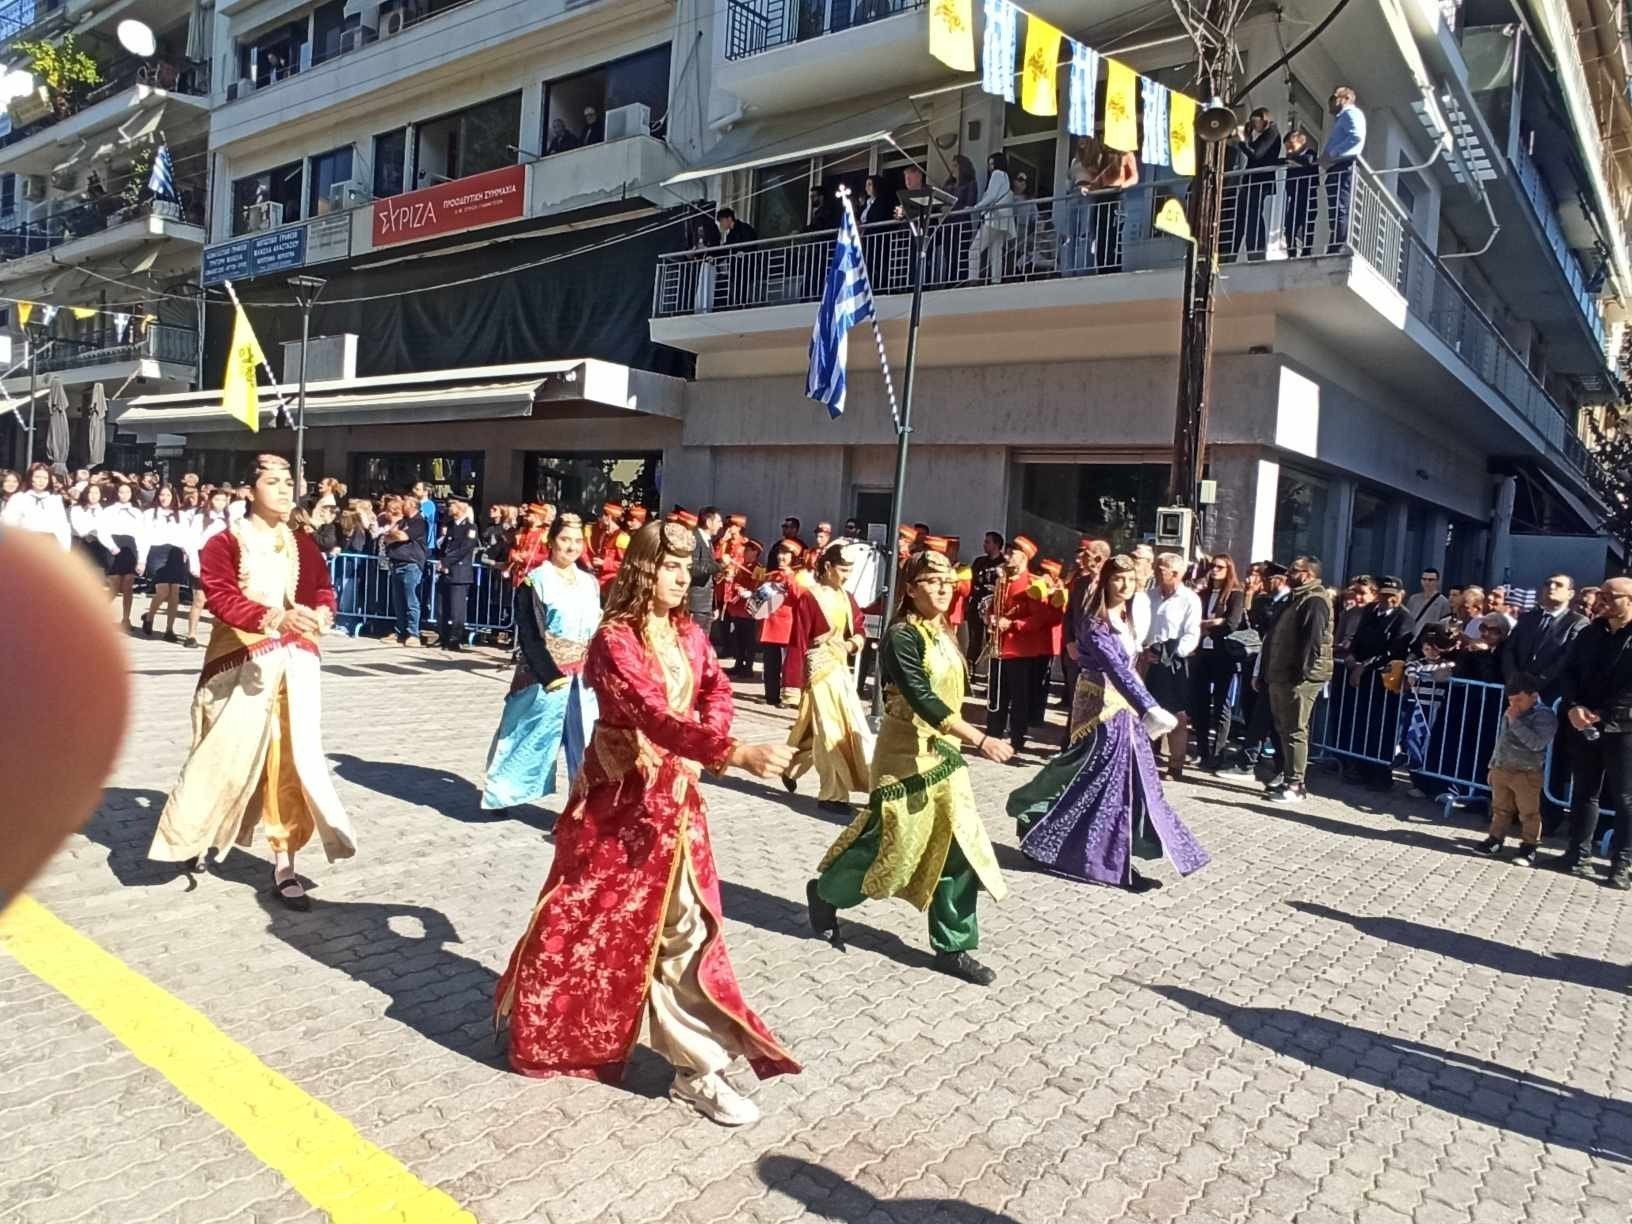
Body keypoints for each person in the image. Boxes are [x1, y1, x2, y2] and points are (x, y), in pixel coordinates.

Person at [493, 521, 799, 1123]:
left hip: (676, 804)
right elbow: (649, 714)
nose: (683, 578)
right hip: (619, 809)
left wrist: (709, 742)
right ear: (641, 569)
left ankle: (697, 1067)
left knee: (684, 926)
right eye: (670, 565)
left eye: (689, 567)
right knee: (585, 922)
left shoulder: (687, 631)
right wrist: (731, 752)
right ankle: (554, 1027)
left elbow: (714, 688)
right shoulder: (615, 639)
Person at [148, 455, 354, 909]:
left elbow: (320, 587)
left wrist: (321, 610)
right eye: (273, 483)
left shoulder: (303, 541)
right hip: (238, 663)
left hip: (295, 664)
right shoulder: (224, 542)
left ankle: (285, 862)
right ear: (249, 490)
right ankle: (195, 836)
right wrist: (273, 617)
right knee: (222, 757)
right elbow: (221, 597)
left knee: (291, 759)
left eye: (289, 483)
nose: (285, 491)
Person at [807, 549, 1013, 983]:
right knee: (891, 847)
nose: (942, 589)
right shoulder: (903, 635)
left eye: (947, 582)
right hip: (904, 758)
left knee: (959, 849)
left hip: (944, 756)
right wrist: (979, 739)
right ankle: (826, 893)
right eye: (931, 582)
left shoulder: (944, 632)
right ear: (910, 588)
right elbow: (921, 696)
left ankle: (953, 944)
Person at [1008, 554, 1209, 892]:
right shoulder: (1094, 623)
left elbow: (1130, 667)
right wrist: (1149, 707)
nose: (1125, 585)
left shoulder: (1130, 619)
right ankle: (1106, 863)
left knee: (1130, 784)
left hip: (1125, 712)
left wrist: (1143, 706)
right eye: (1118, 578)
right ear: (1106, 581)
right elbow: (1116, 668)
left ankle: (1083, 851)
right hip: (1101, 712)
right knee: (1106, 785)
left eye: (1131, 579)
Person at [481, 514, 602, 813]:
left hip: (583, 678)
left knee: (586, 741)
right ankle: (503, 794)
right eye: (565, 539)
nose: (571, 547)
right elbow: (531, 634)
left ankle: (581, 808)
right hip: (544, 675)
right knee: (524, 736)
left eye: (577, 541)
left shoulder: (590, 583)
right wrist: (548, 674)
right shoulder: (536, 581)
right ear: (552, 541)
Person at [781, 541, 875, 814]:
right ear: (827, 567)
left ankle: (789, 765)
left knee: (841, 727)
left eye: (850, 570)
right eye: (843, 569)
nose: (846, 575)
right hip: (818, 669)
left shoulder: (848, 597)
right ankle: (832, 793)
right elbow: (798, 641)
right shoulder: (809, 597)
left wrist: (852, 644)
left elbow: (858, 628)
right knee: (830, 731)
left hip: (840, 670)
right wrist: (792, 685)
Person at [1554, 576, 1632, 887]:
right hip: (1583, 722)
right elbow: (1569, 671)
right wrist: (1573, 706)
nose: (1602, 601)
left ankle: (1622, 863)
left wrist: (1603, 714)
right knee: (1585, 790)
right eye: (1600, 594)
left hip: (1624, 726)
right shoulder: (1590, 632)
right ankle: (1577, 854)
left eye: (1611, 596)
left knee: (1626, 797)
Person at [1262, 556, 1334, 804]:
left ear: (1308, 574)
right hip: (1281, 674)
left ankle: (1296, 784)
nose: (1289, 574)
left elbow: (1312, 641)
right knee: (1284, 727)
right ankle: (1287, 775)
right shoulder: (1295, 599)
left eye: (1295, 570)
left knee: (1295, 730)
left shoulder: (1315, 600)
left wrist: (1299, 672)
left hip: (1299, 678)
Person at [1474, 673, 1559, 866]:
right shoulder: (1511, 712)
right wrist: (1492, 765)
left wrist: (1515, 722)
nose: (1515, 705)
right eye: (1511, 701)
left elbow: (1537, 743)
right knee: (1500, 808)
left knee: (1529, 812)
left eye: (1519, 700)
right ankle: (1495, 840)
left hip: (1527, 772)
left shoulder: (1544, 716)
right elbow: (1501, 739)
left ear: (1534, 696)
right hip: (1503, 767)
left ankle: (1529, 846)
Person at [985, 535, 1059, 755]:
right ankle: (993, 734)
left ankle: (1016, 739)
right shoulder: (1002, 580)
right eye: (1007, 552)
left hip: (1020, 650)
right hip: (998, 647)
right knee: (996, 695)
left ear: (1024, 556)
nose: (1007, 556)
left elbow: (1039, 619)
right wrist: (989, 617)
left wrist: (1013, 624)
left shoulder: (1033, 583)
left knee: (1019, 698)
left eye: (1012, 553)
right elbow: (994, 608)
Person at [1340, 575, 1414, 789]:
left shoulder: (1403, 618)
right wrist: (1352, 657)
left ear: (1400, 596)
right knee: (1362, 723)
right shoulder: (1370, 612)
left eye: (1392, 596)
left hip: (1384, 681)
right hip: (1364, 680)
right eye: (1384, 595)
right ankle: (1361, 767)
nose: (1388, 600)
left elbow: (1395, 650)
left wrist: (1365, 666)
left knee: (1381, 728)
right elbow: (1359, 637)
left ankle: (1380, 774)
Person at [1143, 552, 1202, 779]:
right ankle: (1146, 759)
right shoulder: (1149, 596)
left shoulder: (1189, 599)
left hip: (1174, 662)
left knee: (1176, 715)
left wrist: (1172, 654)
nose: (1157, 571)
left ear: (1175, 573)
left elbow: (1191, 633)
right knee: (1147, 710)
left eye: (1161, 568)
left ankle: (1175, 765)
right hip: (1148, 658)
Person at [1192, 553, 1246, 766]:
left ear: (1228, 570)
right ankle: (1203, 751)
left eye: (1220, 567)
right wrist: (1212, 622)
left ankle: (1218, 752)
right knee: (1200, 704)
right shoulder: (1203, 594)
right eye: (1213, 566)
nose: (1215, 570)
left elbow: (1232, 623)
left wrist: (1210, 625)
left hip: (1222, 654)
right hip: (1202, 653)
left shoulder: (1235, 594)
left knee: (1221, 703)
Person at [1503, 573, 1587, 701]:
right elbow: (1509, 648)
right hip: (1515, 692)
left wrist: (1538, 682)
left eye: (1558, 585)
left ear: (1570, 594)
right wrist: (1512, 677)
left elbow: (1566, 658)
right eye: (1547, 584)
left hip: (1548, 694)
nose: (1551, 587)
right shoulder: (1527, 618)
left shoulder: (1577, 622)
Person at [756, 540, 805, 706]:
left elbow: (800, 596)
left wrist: (790, 577)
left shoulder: (800, 575)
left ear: (794, 557)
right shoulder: (773, 574)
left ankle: (788, 696)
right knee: (770, 663)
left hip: (786, 624)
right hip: (770, 622)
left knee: (787, 664)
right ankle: (770, 695)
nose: (781, 557)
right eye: (780, 553)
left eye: (785, 554)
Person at [140, 484, 191, 642]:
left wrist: (187, 553)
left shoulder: (181, 516)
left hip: (175, 552)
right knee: (162, 591)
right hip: (157, 551)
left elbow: (186, 536)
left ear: (174, 497)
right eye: (161, 495)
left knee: (174, 592)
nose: (164, 498)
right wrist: (141, 559)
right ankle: (149, 617)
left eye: (168, 495)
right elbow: (144, 537)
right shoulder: (149, 514)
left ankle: (169, 629)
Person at [186, 488, 233, 648]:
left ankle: (219, 637)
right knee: (199, 599)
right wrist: (194, 565)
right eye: (217, 500)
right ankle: (191, 635)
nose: (220, 503)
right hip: (202, 557)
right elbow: (191, 542)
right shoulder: (201, 518)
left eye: (223, 500)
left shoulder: (228, 519)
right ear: (210, 501)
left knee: (220, 600)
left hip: (221, 562)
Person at [1323, 86, 1366, 253]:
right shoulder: (1344, 117)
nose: (1330, 103)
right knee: (1337, 207)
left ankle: (1337, 245)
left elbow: (1355, 136)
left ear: (1345, 98)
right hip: (1340, 165)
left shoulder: (1350, 114)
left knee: (1340, 207)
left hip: (1344, 165)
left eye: (1334, 98)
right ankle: (1336, 243)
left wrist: (1331, 154)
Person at [101, 479, 147, 631]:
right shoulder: (108, 511)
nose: (124, 495)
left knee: (128, 585)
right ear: (116, 493)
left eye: (127, 492)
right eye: (121, 492)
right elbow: (103, 531)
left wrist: (141, 560)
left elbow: (142, 536)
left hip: (130, 546)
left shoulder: (136, 512)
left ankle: (126, 619)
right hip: (113, 545)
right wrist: (112, 547)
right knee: (114, 585)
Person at [1237, 108, 1282, 258]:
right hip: (1253, 180)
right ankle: (1244, 250)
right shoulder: (1266, 135)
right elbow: (1254, 152)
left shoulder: (1272, 133)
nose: (1254, 126)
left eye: (1254, 122)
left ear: (1264, 120)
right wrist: (1248, 138)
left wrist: (1242, 142)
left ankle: (1256, 250)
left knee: (1253, 216)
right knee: (1245, 215)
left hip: (1259, 181)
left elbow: (1256, 155)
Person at [436, 497, 479, 651]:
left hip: (459, 572)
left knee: (457, 609)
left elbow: (464, 549)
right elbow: (444, 547)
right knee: (442, 609)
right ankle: (443, 636)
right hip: (445, 572)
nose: (449, 507)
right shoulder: (449, 526)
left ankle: (455, 638)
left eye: (452, 505)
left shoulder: (470, 527)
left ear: (460, 507)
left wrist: (446, 562)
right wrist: (441, 561)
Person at [384, 496, 428, 646]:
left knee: (411, 601)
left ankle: (413, 633)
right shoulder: (403, 521)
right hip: (396, 563)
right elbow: (388, 537)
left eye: (406, 503)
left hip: (411, 564)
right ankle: (400, 631)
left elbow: (402, 536)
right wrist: (393, 535)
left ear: (413, 506)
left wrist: (394, 536)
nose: (402, 505)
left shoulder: (419, 522)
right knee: (398, 601)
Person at [966, 151, 1014, 286]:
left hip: (994, 218)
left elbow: (991, 196)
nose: (990, 167)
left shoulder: (997, 174)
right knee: (996, 252)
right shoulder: (1006, 177)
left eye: (992, 163)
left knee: (974, 249)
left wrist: (975, 207)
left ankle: (973, 279)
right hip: (1003, 221)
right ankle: (996, 281)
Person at [0, 463, 70, 548]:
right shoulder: (19, 498)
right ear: (30, 478)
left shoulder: (55, 500)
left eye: (45, 478)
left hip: (50, 547)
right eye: (37, 477)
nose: (41, 481)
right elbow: (9, 524)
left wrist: (64, 549)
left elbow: (63, 527)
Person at [685, 507, 723, 640]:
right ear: (708, 522)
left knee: (703, 645)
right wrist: (720, 564)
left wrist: (718, 573)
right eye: (718, 521)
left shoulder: (707, 541)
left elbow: (708, 569)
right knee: (694, 644)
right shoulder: (694, 539)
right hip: (696, 603)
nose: (721, 525)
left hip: (705, 604)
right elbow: (692, 569)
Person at [1283, 128, 1319, 257]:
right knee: (1289, 227)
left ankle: (1306, 253)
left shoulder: (1310, 153)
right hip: (1295, 197)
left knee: (1307, 226)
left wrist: (1294, 160)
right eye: (1287, 148)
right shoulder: (1290, 157)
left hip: (1309, 196)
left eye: (1291, 146)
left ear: (1302, 142)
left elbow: (1309, 160)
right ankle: (1291, 253)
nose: (1289, 151)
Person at [70, 482, 110, 573]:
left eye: (96, 493)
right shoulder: (77, 509)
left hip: (102, 543)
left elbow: (106, 527)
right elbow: (78, 527)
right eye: (90, 493)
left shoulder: (106, 509)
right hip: (83, 541)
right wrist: (92, 531)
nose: (93, 496)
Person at [1405, 567, 1450, 642]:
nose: (1427, 582)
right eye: (1424, 579)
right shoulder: (1413, 599)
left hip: (1428, 642)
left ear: (1437, 581)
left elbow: (1443, 626)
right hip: (1411, 640)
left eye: (1430, 580)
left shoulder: (1444, 602)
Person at [412, 480, 438, 548]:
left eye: (417, 489)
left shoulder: (429, 505)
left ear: (425, 492)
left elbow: (418, 518)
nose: (414, 491)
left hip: (425, 543)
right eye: (414, 488)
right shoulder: (416, 504)